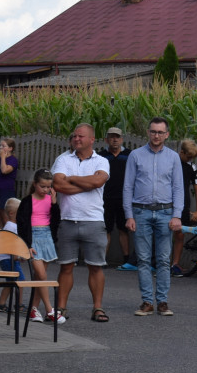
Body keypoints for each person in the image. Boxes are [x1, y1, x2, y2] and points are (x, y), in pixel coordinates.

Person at [123, 117, 184, 317]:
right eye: (153, 131)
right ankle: (147, 301)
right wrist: (129, 215)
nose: (156, 135)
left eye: (160, 132)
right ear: (148, 133)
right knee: (142, 259)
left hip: (166, 212)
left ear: (167, 134)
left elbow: (178, 187)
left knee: (164, 260)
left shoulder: (174, 157)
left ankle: (163, 301)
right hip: (141, 212)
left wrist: (177, 215)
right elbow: (128, 186)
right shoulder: (135, 155)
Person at [52, 123, 110, 322]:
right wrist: (87, 184)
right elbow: (58, 185)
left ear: (92, 139)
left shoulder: (101, 161)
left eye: (81, 136)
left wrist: (73, 178)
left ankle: (97, 308)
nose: (77, 139)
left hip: (94, 221)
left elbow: (98, 182)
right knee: (66, 267)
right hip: (68, 220)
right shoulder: (62, 159)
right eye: (75, 136)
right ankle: (61, 308)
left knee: (96, 266)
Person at [16, 169, 63, 324]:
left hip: (47, 237)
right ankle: (50, 310)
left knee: (38, 278)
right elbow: (22, 224)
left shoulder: (51, 200)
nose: (45, 189)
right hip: (33, 238)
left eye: (48, 187)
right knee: (42, 276)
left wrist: (55, 203)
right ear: (35, 184)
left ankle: (33, 309)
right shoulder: (27, 201)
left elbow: (56, 220)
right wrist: (26, 245)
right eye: (42, 186)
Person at [98, 128, 135, 270]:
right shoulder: (101, 156)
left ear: (122, 139)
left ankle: (126, 259)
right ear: (106, 139)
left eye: (117, 137)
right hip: (105, 198)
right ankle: (103, 260)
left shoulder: (129, 155)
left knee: (123, 229)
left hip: (124, 198)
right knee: (105, 229)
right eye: (111, 137)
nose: (115, 140)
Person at [171, 139, 197, 276]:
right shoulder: (172, 163)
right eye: (188, 157)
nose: (190, 160)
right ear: (181, 152)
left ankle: (175, 263)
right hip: (168, 201)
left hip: (184, 203)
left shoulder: (192, 167)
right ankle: (162, 263)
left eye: (192, 158)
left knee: (179, 233)